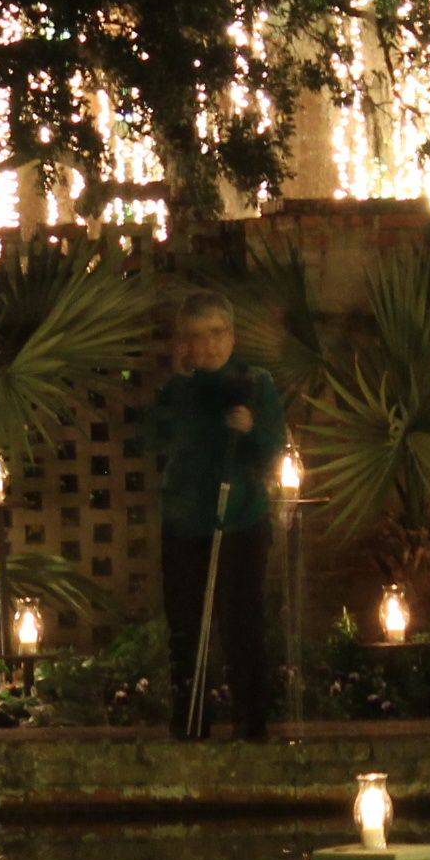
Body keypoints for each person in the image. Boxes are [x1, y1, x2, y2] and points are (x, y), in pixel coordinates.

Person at [143, 290, 286, 742]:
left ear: (232, 335)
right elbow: (154, 439)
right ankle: (191, 718)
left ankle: (252, 718)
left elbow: (271, 449)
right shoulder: (178, 390)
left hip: (240, 520)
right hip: (187, 523)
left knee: (242, 619)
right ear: (184, 343)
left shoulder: (253, 383)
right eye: (196, 338)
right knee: (186, 623)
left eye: (216, 334)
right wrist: (179, 389)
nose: (208, 346)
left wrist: (250, 431)